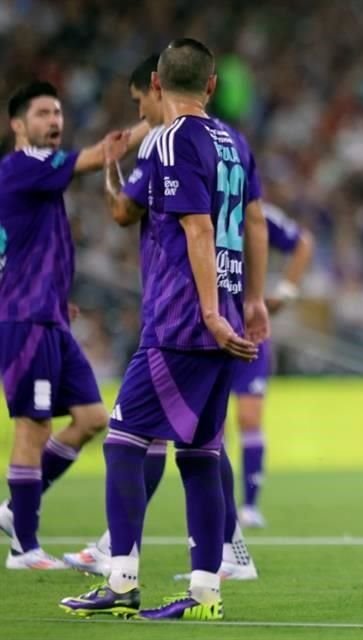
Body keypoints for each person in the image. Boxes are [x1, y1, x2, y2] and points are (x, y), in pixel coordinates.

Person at [60, 38, 269, 621]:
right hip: (227, 313)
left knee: (125, 442)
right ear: (210, 85)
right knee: (201, 454)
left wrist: (206, 312)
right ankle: (205, 593)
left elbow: (196, 229)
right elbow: (254, 220)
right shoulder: (234, 142)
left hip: (182, 320)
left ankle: (121, 580)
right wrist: (250, 299)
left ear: (156, 83)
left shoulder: (169, 139)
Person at [0, 81, 147, 570]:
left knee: (91, 419)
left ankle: (14, 512)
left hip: (50, 316)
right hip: (25, 319)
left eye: (58, 112)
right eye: (43, 113)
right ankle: (24, 546)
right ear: (17, 124)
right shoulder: (23, 168)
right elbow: (99, 155)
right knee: (33, 427)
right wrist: (159, 118)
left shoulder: (39, 178)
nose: (55, 120)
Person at [233, 201, 315, 529]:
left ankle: (250, 506)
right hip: (206, 327)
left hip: (249, 327)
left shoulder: (257, 212)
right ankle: (216, 506)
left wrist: (285, 290)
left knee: (249, 416)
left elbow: (303, 242)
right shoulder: (198, 204)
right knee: (206, 426)